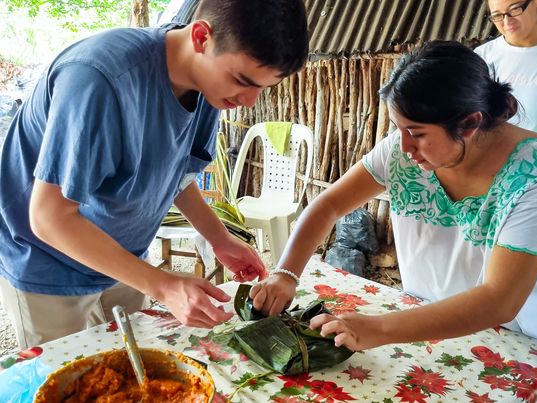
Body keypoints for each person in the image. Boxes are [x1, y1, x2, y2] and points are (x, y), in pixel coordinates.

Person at [0, 0, 309, 349]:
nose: (250, 101)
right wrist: (163, 285)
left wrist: (219, 238)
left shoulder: (212, 88)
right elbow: (49, 218)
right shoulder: (99, 80)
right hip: (49, 262)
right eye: (242, 80)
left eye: (262, 88)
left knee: (131, 378)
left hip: (124, 253)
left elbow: (175, 171)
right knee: (70, 388)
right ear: (200, 37)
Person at [250, 41, 537, 351]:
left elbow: (499, 300)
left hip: (520, 340)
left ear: (469, 123)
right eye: (399, 129)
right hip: (424, 323)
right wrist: (285, 273)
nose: (405, 146)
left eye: (418, 133)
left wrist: (379, 328)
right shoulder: (402, 151)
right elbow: (330, 204)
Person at [475, 0, 537, 139]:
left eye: (515, 9)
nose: (507, 21)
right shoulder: (482, 56)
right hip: (495, 155)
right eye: (497, 15)